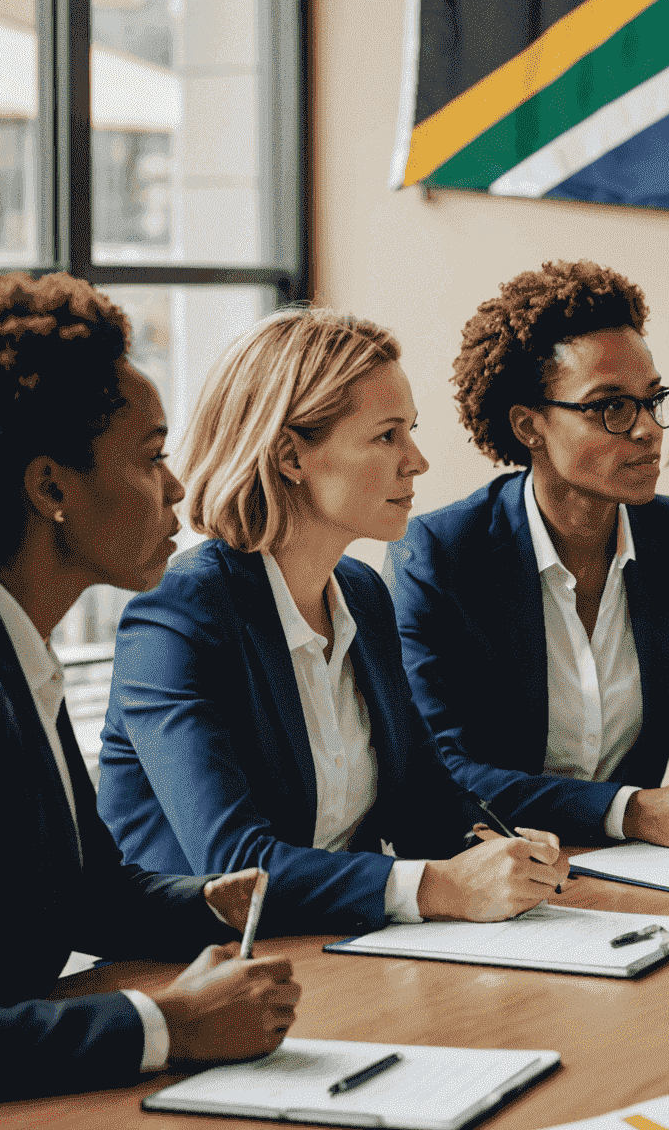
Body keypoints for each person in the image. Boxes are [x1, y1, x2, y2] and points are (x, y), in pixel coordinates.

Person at [97, 308, 568, 934]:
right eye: (387, 436)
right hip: (199, 974)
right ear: (293, 455)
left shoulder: (361, 593)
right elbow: (236, 863)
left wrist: (494, 845)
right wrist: (440, 885)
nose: (417, 461)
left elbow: (422, 802)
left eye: (411, 432)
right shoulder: (177, 617)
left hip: (343, 951)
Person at [384, 260, 669, 849]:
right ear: (530, 426)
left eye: (653, 400)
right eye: (611, 406)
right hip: (489, 882)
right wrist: (631, 812)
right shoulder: (441, 557)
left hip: (641, 884)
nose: (648, 429)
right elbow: (445, 774)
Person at [0, 272, 300, 1100]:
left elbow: (87, 891)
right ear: (50, 487)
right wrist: (170, 1024)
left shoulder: (22, 655)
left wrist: (211, 903)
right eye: (152, 456)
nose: (175, 489)